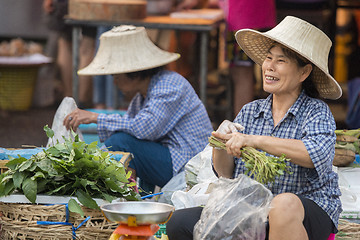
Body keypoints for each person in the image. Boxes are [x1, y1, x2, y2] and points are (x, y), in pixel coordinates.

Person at [166, 16, 343, 240]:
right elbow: (226, 173)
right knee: (180, 223)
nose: (269, 66)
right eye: (268, 58)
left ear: (303, 72)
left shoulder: (316, 111)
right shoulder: (251, 110)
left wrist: (253, 140)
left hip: (305, 212)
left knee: (283, 204)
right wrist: (221, 143)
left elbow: (314, 154)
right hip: (254, 212)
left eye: (281, 61)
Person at [63, 25, 213, 193]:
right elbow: (135, 132)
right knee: (120, 141)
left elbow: (143, 129)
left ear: (133, 72)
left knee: (120, 143)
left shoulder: (169, 86)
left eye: (116, 76)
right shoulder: (141, 97)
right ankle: (138, 197)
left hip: (188, 164)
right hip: (173, 160)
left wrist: (95, 117)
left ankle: (127, 199)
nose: (115, 82)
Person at [208, 0, 277, 117]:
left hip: (242, 15)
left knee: (241, 75)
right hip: (262, 13)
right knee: (269, 69)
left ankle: (243, 127)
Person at [42, 0, 96, 108]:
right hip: (90, 4)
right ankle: (82, 100)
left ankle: (69, 99)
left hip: (65, 3)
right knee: (87, 48)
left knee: (65, 44)